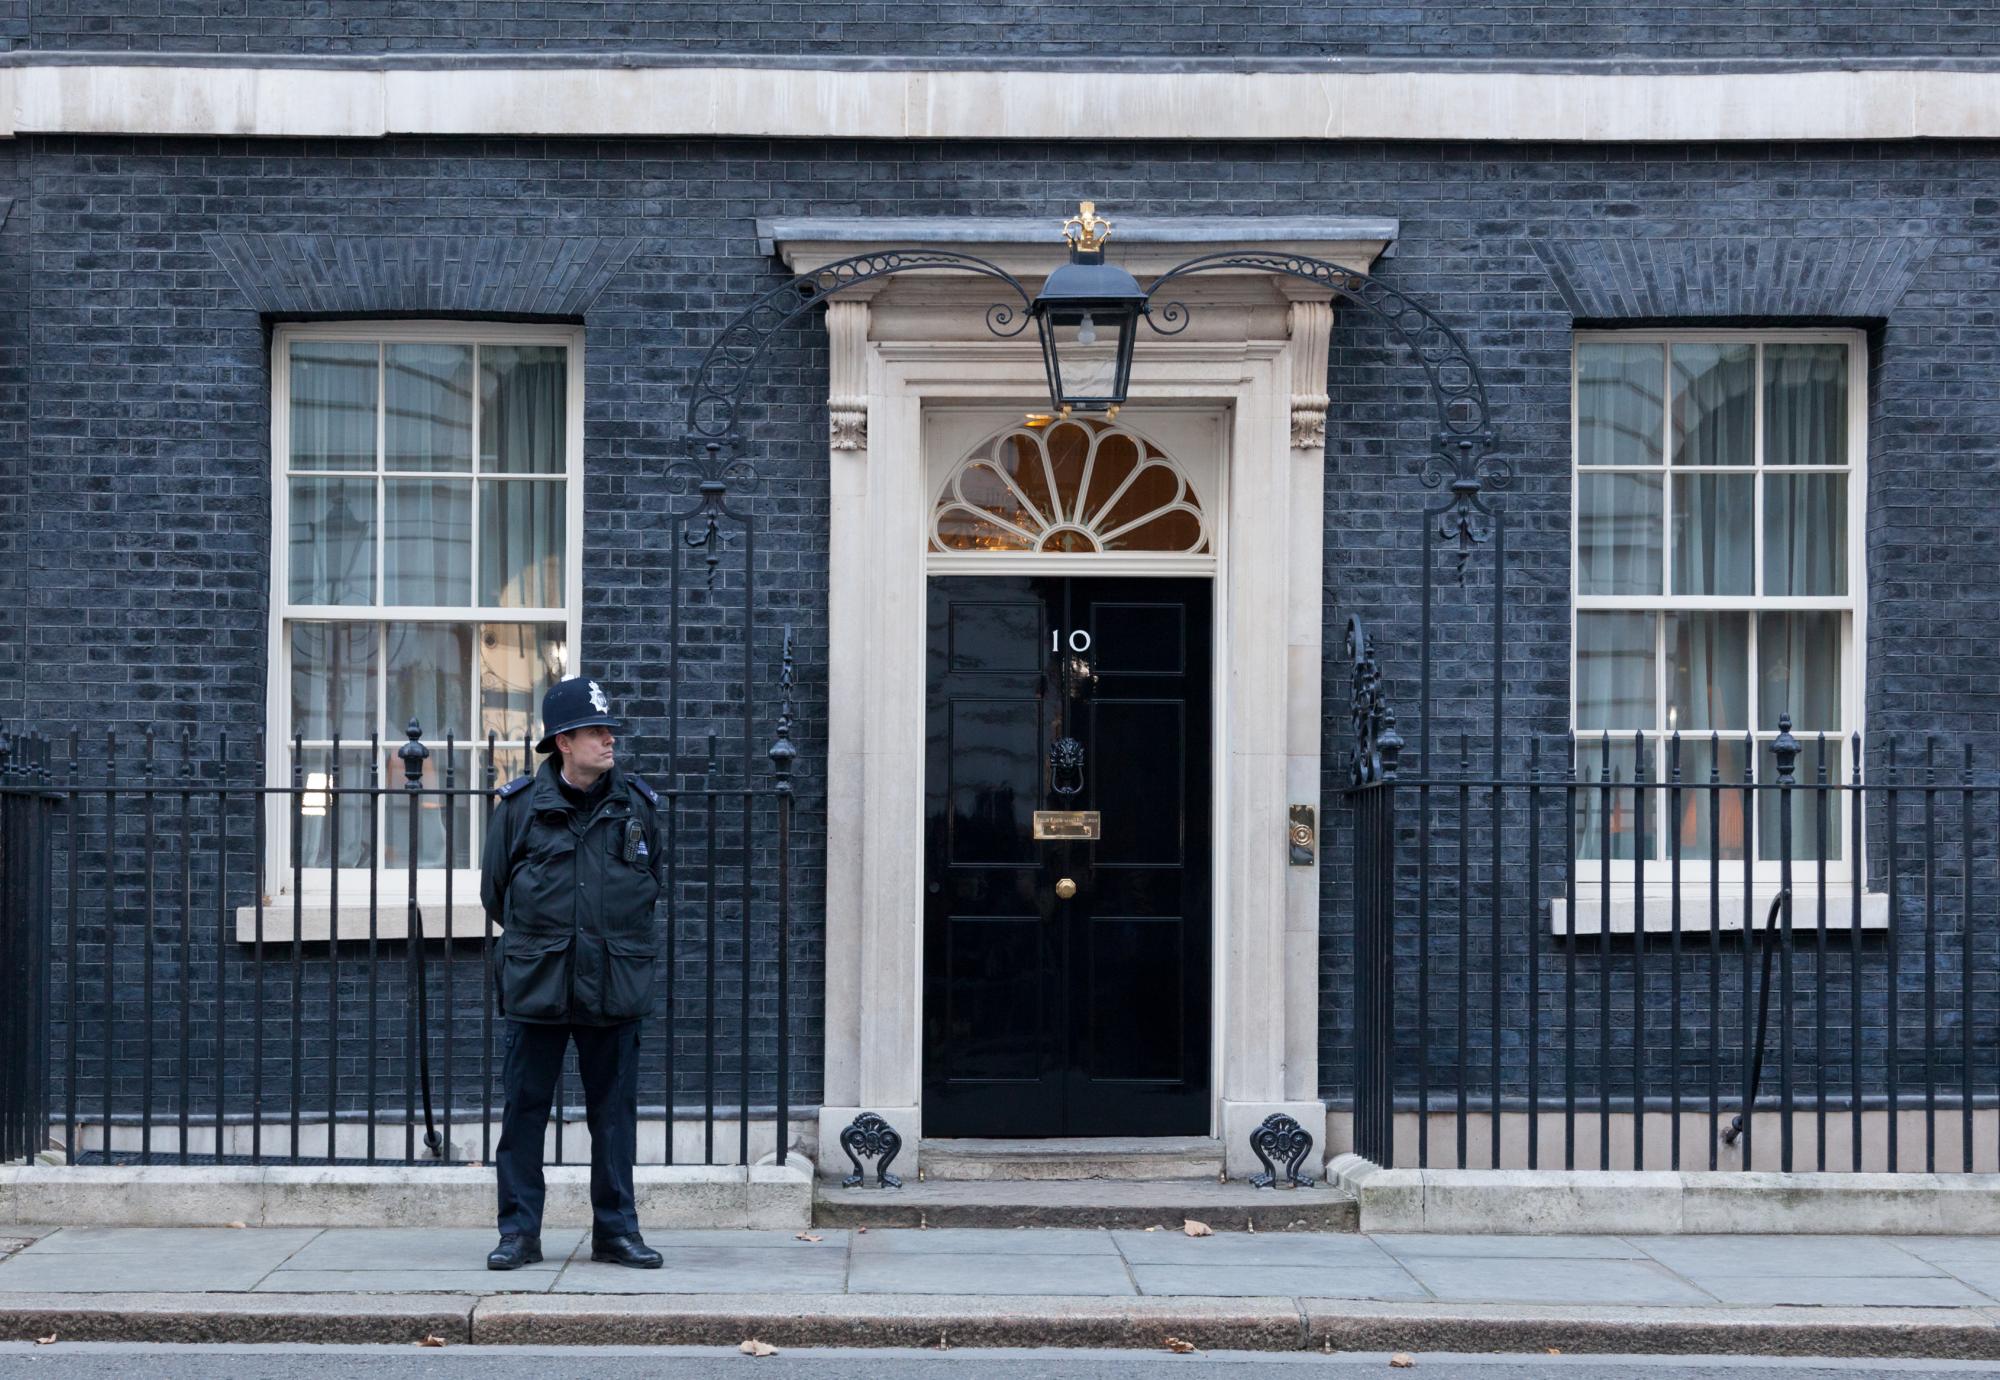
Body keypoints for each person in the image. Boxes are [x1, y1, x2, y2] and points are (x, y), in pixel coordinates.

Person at [482, 677, 664, 1271]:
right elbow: (495, 895)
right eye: (596, 730)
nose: (609, 739)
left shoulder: (635, 805)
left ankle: (615, 1233)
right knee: (524, 1113)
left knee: (614, 1117)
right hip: (539, 984)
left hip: (613, 984)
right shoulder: (518, 810)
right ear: (563, 741)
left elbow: (651, 881)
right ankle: (519, 1234)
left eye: (609, 730)